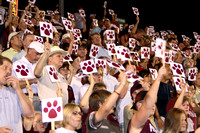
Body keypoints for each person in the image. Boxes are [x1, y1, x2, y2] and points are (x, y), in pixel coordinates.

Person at [0, 55, 34, 133]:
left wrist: (18, 89)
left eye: (10, 70)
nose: (8, 72)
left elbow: (30, 114)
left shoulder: (14, 92)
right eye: (5, 68)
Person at [128, 65, 167, 132]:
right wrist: (158, 79)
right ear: (138, 105)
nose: (152, 106)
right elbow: (148, 102)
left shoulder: (148, 121)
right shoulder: (136, 121)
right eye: (147, 76)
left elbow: (153, 100)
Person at [12, 41, 44, 111]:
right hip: (24, 97)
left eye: (40, 54)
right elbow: (14, 85)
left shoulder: (38, 67)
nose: (38, 56)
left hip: (39, 99)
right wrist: (32, 81)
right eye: (37, 53)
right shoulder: (17, 64)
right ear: (29, 51)